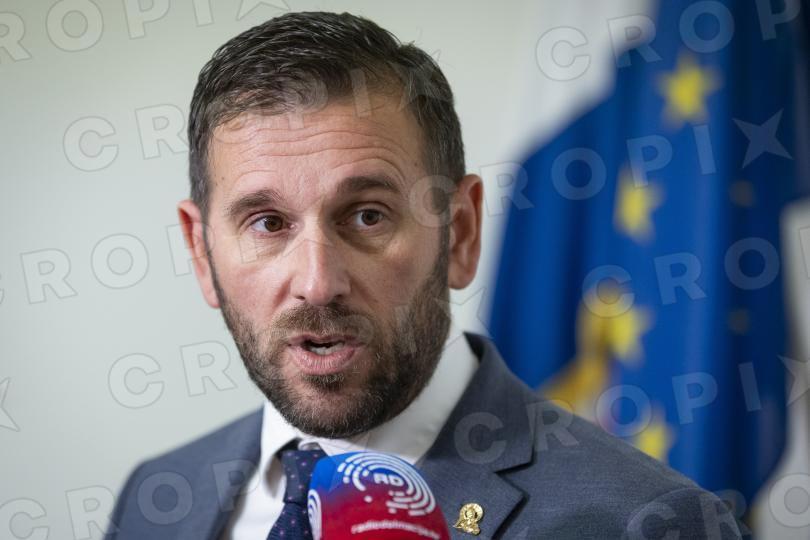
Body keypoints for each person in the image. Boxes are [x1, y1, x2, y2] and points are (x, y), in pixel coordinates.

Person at [105, 11, 742, 539]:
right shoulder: (157, 497)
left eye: (368, 215)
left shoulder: (648, 522)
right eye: (267, 223)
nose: (318, 283)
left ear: (459, 233)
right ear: (201, 253)